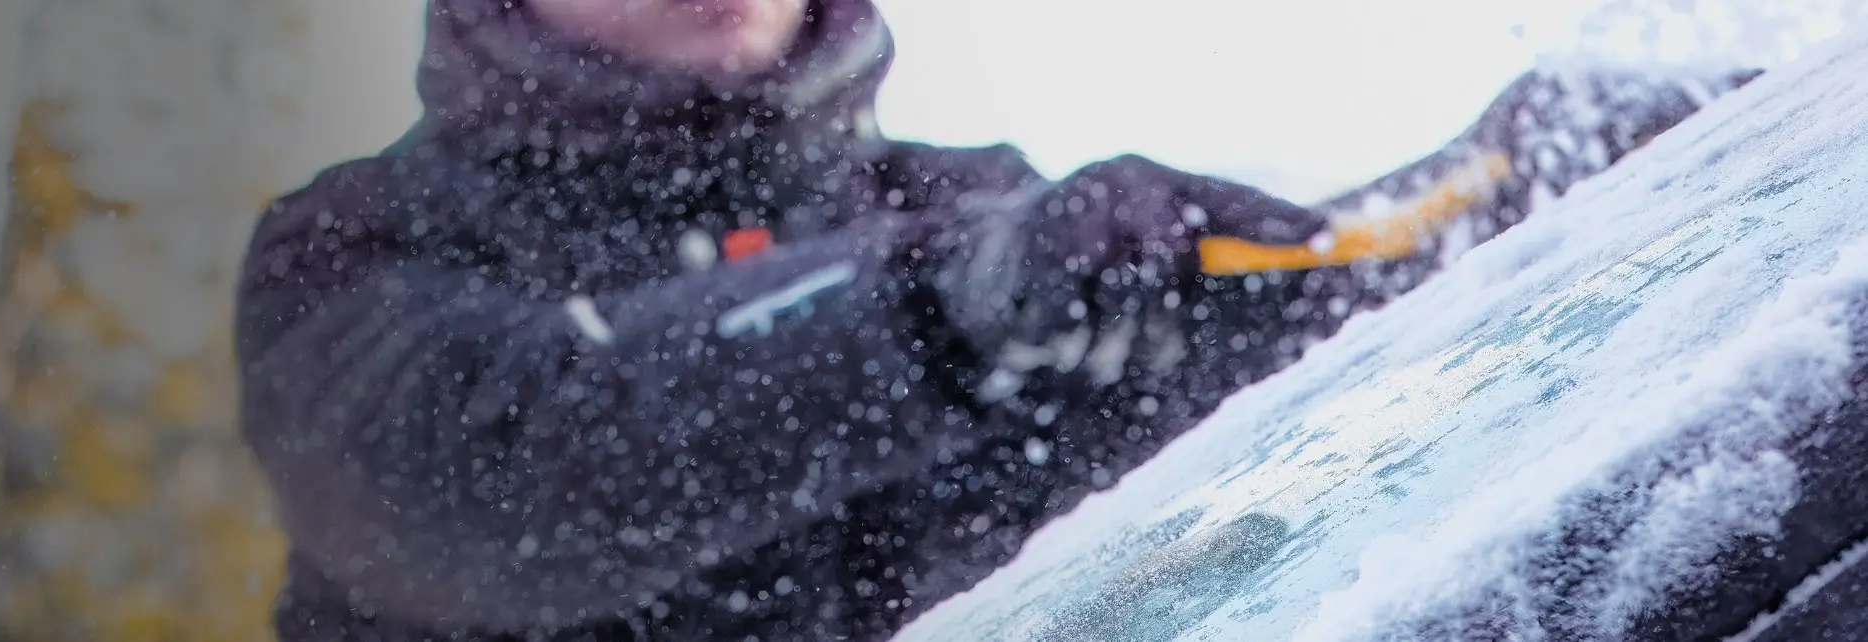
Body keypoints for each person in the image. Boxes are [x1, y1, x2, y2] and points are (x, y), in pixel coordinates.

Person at [235, 0, 1755, 639]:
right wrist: (942, 314)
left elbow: (1302, 388)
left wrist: (1509, 196)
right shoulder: (354, 255)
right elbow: (502, 480)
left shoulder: (976, 214)